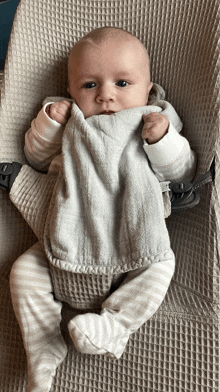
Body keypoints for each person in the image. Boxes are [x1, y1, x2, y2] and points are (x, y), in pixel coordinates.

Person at [7, 27, 197, 392]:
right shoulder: (71, 121)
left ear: (148, 88)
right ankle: (42, 351)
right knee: (23, 273)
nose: (106, 96)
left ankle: (115, 325)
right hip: (66, 240)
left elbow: (182, 171)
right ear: (71, 91)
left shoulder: (154, 120)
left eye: (122, 83)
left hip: (133, 238)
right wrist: (50, 121)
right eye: (89, 85)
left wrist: (163, 140)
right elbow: (36, 158)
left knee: (162, 263)